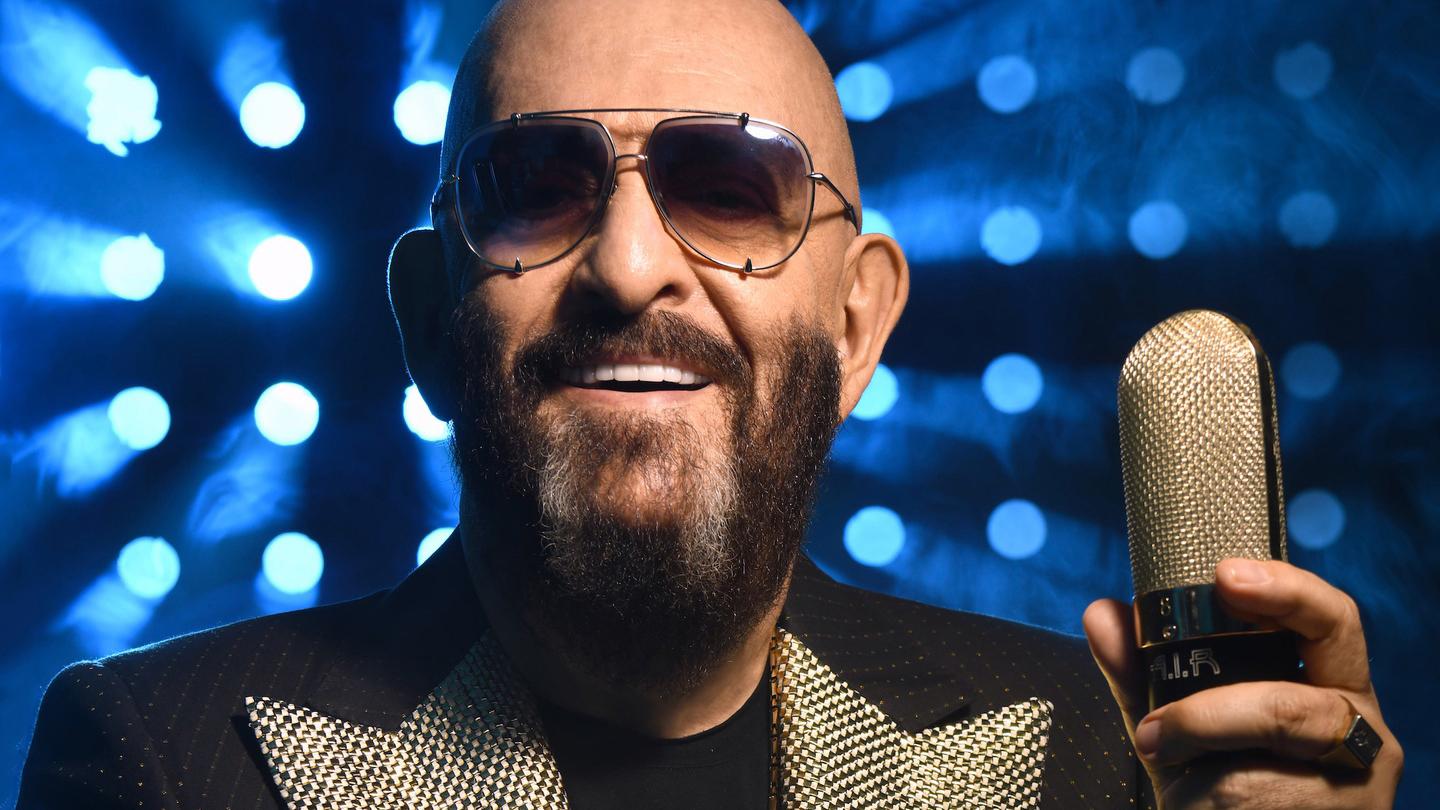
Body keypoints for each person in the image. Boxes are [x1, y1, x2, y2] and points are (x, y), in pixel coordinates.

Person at [18, 0, 1402, 807]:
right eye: (536, 188)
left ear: (856, 324)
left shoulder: (1087, 753)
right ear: (431, 321)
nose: (629, 267)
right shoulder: (155, 761)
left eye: (733, 186)